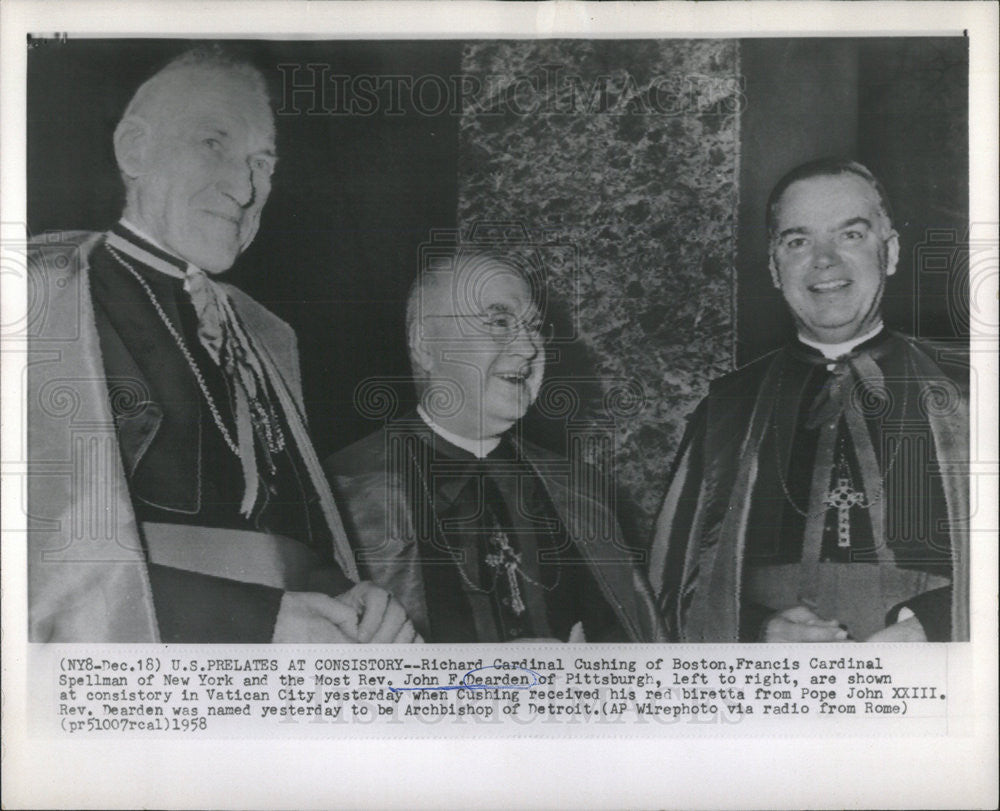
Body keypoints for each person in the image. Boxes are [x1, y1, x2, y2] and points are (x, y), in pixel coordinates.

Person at [27, 48, 417, 643]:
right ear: (134, 149)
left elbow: (284, 534)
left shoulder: (266, 333)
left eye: (262, 163)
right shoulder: (41, 292)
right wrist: (255, 623)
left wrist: (349, 599)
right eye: (213, 143)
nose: (244, 187)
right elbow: (28, 556)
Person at [648, 158, 969, 643]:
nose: (824, 260)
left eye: (851, 235)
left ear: (892, 251)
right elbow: (671, 589)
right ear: (775, 267)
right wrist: (758, 632)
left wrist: (934, 626)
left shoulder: (972, 393)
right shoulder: (727, 409)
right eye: (797, 241)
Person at [325, 250, 667, 642]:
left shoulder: (579, 490)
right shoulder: (342, 495)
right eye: (500, 322)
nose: (528, 348)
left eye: (533, 327)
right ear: (425, 344)